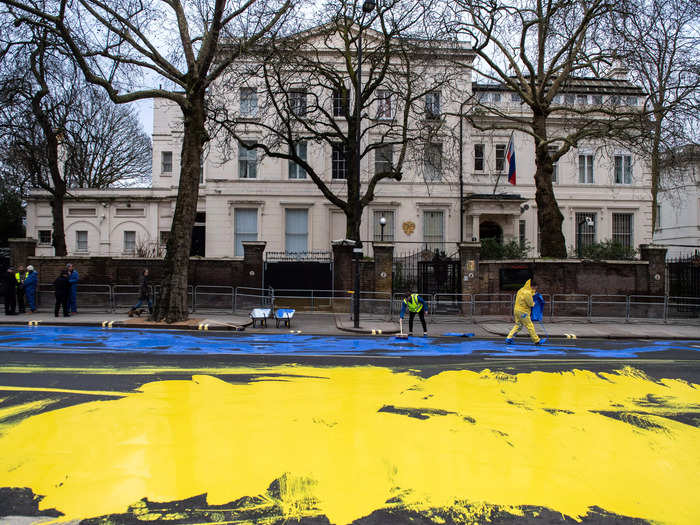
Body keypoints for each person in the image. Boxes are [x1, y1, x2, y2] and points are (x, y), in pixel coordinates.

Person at [505, 278, 541, 345]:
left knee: (518, 325)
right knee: (529, 325)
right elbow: (530, 303)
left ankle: (509, 338)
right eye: (535, 288)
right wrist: (534, 303)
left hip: (516, 310)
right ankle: (536, 340)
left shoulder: (522, 289)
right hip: (523, 311)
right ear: (532, 286)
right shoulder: (527, 293)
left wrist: (533, 293)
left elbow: (523, 298)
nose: (535, 289)